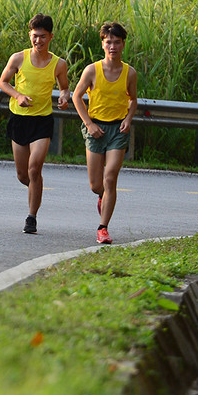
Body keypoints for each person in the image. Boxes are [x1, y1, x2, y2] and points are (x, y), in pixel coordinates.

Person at [0, 13, 71, 234]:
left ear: (50, 37)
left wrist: (65, 97)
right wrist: (18, 96)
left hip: (42, 120)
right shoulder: (18, 58)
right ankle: (35, 190)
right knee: (23, 175)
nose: (38, 41)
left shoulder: (59, 64)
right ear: (30, 35)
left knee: (34, 168)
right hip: (19, 119)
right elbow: (3, 82)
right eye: (34, 36)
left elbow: (65, 87)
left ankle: (31, 217)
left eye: (42, 37)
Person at [72, 21, 138, 245]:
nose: (113, 46)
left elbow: (133, 99)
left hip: (117, 129)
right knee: (96, 185)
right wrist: (89, 124)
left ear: (123, 44)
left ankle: (103, 228)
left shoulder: (129, 72)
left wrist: (128, 119)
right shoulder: (92, 70)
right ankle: (103, 197)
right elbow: (76, 97)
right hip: (95, 128)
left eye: (117, 42)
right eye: (108, 42)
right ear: (102, 44)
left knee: (110, 179)